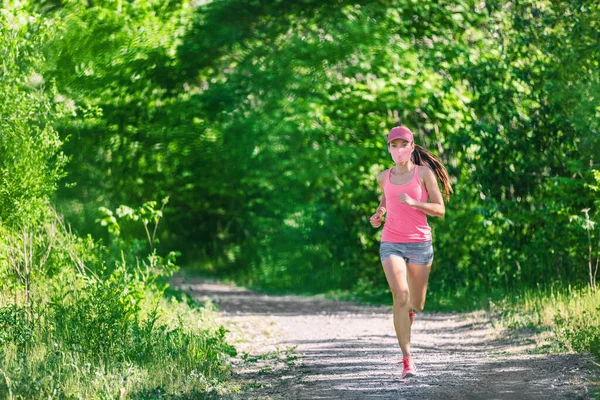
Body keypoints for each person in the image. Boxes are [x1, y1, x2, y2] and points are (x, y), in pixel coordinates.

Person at [369, 126, 452, 378]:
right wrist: (378, 214)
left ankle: (409, 312)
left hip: (420, 242)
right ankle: (407, 360)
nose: (398, 150)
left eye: (403, 145)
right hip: (391, 241)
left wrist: (415, 203)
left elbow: (440, 209)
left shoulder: (424, 173)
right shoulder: (383, 176)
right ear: (389, 150)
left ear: (411, 147)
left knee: (415, 302)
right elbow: (386, 200)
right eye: (393, 146)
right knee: (400, 294)